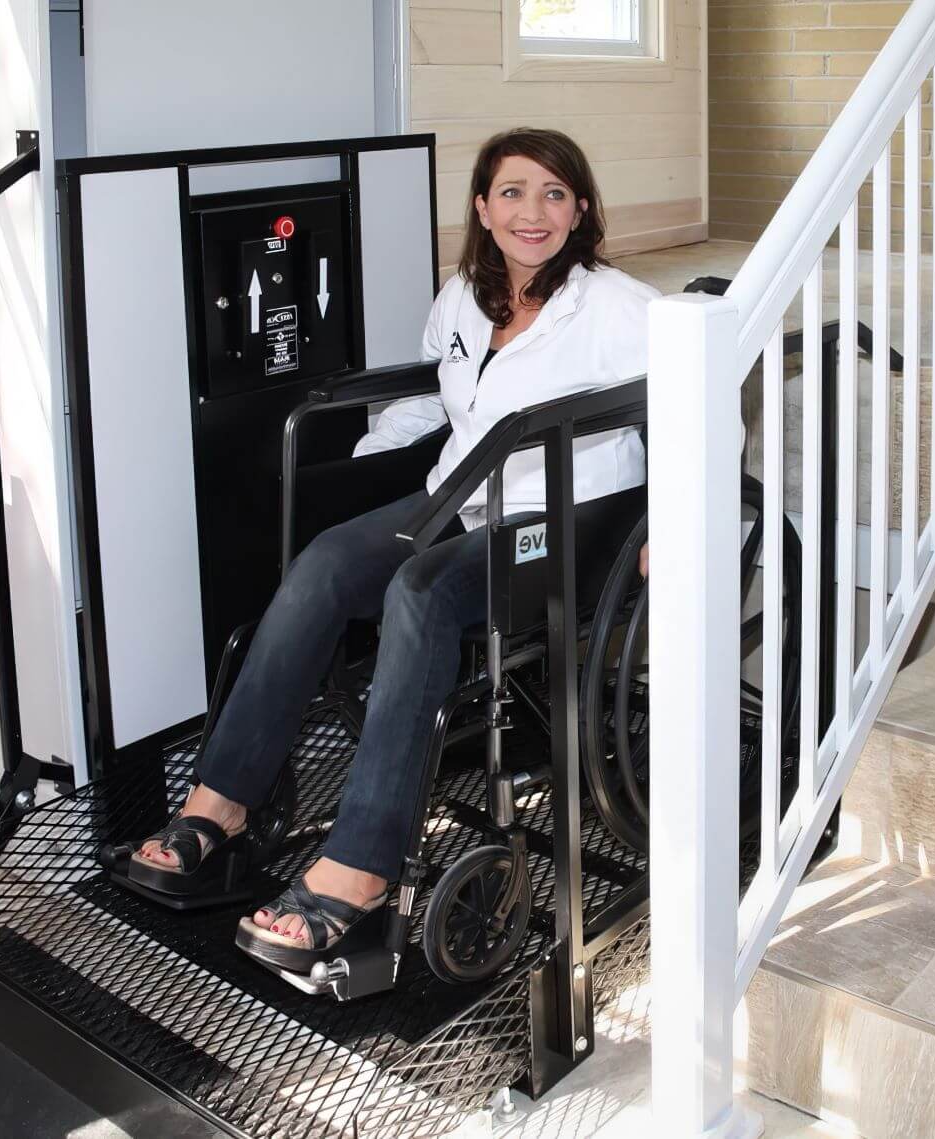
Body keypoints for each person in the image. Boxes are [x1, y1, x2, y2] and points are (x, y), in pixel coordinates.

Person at [120, 128, 658, 972]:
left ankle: (361, 869)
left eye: (554, 194)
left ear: (580, 209)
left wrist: (671, 518)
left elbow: (703, 398)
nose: (532, 212)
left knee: (420, 591)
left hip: (564, 520)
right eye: (512, 192)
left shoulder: (618, 305)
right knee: (330, 559)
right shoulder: (464, 298)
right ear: (481, 207)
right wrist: (364, 481)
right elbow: (427, 403)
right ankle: (218, 809)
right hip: (460, 493)